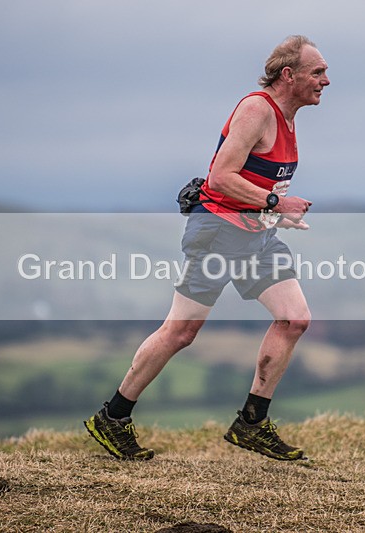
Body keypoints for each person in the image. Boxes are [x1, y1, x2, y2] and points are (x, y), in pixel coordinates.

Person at [85, 35, 330, 461]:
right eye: (318, 72)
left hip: (255, 234)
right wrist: (276, 202)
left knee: (294, 319)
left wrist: (274, 213)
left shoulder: (288, 118)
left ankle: (251, 424)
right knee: (181, 332)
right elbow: (219, 178)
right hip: (217, 232)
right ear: (288, 75)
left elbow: (253, 182)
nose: (326, 80)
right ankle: (113, 416)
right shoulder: (258, 109)